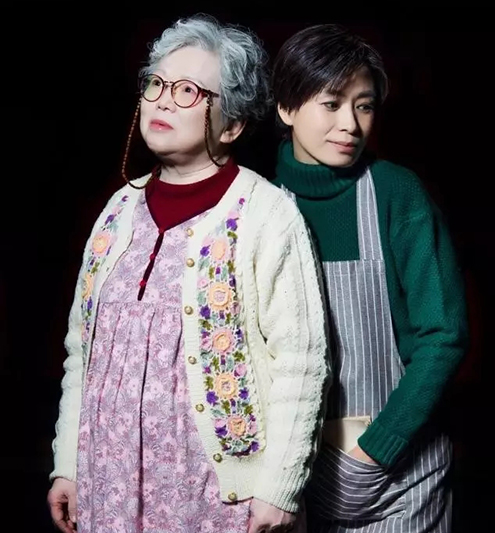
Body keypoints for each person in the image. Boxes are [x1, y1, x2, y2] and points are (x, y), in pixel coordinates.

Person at [47, 14, 330, 533]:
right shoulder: (117, 211)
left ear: (232, 124)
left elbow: (302, 362)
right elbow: (81, 352)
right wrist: (68, 463)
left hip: (216, 500)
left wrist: (280, 489)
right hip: (108, 485)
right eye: (156, 84)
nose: (162, 101)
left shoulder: (268, 215)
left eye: (187, 91)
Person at [271, 23, 469, 533]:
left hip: (403, 479)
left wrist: (378, 448)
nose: (351, 125)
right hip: (294, 483)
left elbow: (443, 335)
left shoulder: (396, 193)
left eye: (364, 106)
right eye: (331, 103)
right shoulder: (260, 207)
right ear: (286, 108)